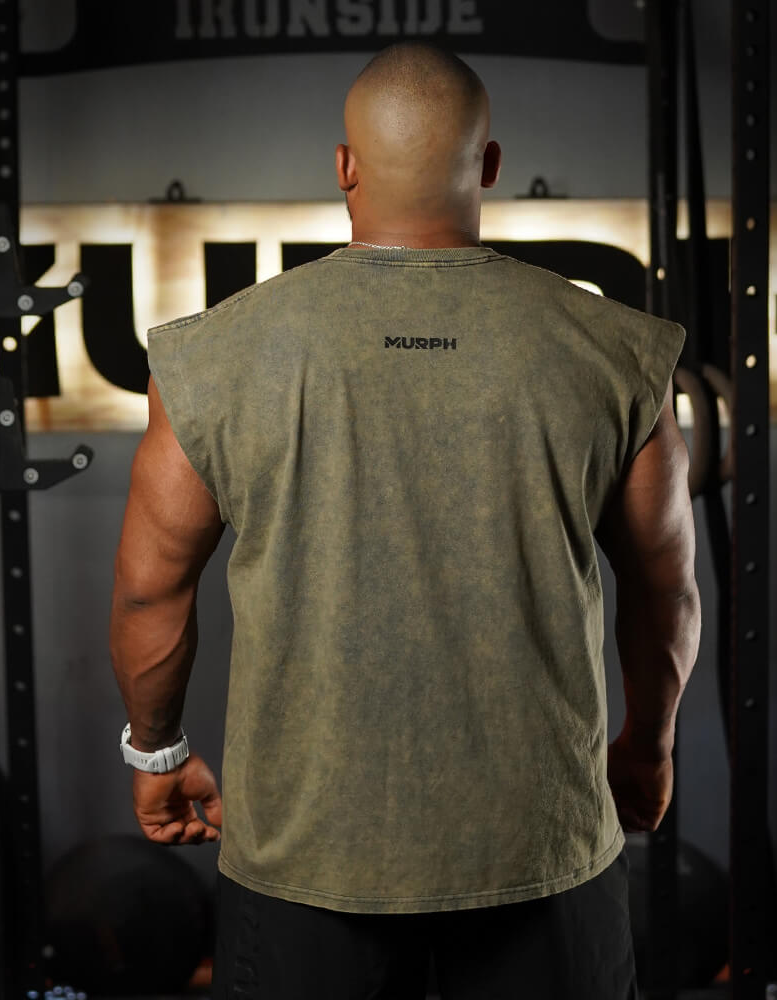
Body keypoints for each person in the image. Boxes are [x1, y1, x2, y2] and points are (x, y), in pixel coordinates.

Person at [110, 42, 701, 1000]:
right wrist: (648, 745)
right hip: (541, 845)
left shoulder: (214, 358)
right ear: (489, 164)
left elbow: (150, 593)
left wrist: (158, 751)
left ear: (345, 166)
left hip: (305, 855)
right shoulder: (617, 352)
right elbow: (665, 588)